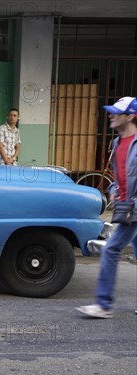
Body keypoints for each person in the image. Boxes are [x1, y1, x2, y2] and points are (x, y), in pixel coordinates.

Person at [77, 96, 137, 319]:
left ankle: (103, 304)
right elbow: (119, 176)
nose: (111, 115)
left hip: (134, 208)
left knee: (111, 249)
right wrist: (113, 188)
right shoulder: (117, 143)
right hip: (125, 206)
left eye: (116, 112)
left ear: (130, 116)